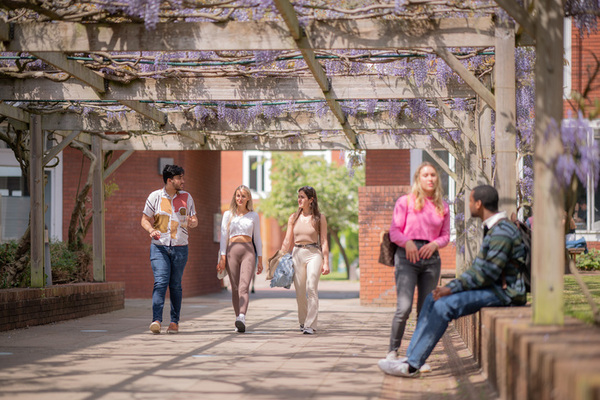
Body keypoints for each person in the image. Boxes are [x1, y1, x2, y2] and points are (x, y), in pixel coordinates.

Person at [378, 185, 527, 377]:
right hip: (494, 287)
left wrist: (452, 289)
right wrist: (450, 287)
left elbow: (487, 273)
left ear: (479, 204)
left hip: (506, 293)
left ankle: (412, 365)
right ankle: (410, 357)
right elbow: (480, 270)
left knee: (443, 307)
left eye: (471, 201)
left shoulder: (502, 232)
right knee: (432, 299)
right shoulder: (494, 228)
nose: (469, 205)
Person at [385, 162, 450, 367]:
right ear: (418, 179)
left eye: (433, 175)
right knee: (404, 308)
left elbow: (446, 236)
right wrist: (408, 243)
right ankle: (393, 351)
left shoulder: (443, 206)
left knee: (425, 310)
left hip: (431, 260)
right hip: (407, 258)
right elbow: (394, 231)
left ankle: (416, 357)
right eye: (425, 175)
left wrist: (435, 244)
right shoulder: (405, 202)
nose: (430, 178)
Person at [141, 164, 198, 335]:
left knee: (175, 285)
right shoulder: (155, 197)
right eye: (180, 178)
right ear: (169, 180)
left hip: (180, 248)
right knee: (160, 282)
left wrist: (193, 222)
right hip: (159, 248)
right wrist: (151, 230)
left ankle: (174, 322)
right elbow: (144, 219)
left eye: (183, 177)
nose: (183, 181)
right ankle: (156, 320)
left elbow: (194, 220)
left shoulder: (187, 197)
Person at [279, 186, 330, 334]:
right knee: (300, 292)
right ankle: (303, 321)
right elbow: (287, 240)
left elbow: (325, 241)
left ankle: (310, 324)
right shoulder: (293, 218)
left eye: (302, 197)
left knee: (311, 287)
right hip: (297, 253)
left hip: (314, 253)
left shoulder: (319, 218)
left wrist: (326, 261)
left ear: (311, 200)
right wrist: (279, 257)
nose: (299, 200)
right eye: (298, 197)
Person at [217, 185, 263, 333]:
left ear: (248, 197)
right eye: (238, 196)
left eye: (243, 196)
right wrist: (222, 257)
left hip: (248, 251)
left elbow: (258, 239)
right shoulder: (228, 215)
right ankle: (238, 319)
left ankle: (242, 316)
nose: (240, 199)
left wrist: (260, 259)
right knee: (235, 288)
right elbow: (223, 237)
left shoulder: (253, 216)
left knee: (244, 286)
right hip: (231, 252)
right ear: (234, 197)